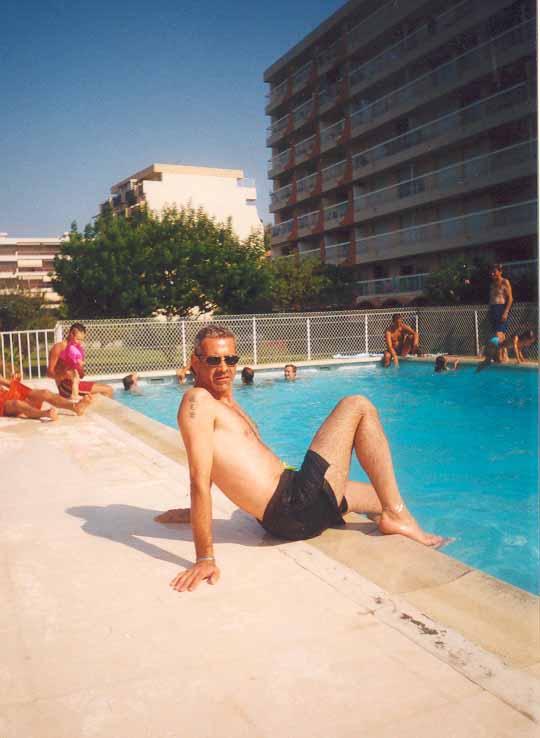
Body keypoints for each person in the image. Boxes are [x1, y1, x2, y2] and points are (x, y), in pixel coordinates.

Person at [155, 324, 442, 593]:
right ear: (195, 362)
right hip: (293, 506)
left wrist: (194, 514)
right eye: (213, 360)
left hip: (294, 499)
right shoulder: (197, 401)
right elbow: (200, 477)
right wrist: (205, 557)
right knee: (357, 405)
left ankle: (390, 512)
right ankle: (395, 516)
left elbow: (223, 465)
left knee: (382, 496)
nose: (224, 368)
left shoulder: (226, 404)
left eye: (230, 360)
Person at [48, 323, 114, 399]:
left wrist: (80, 368)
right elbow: (49, 373)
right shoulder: (59, 347)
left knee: (104, 389)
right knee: (108, 390)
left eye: (82, 340)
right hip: (65, 386)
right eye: (78, 339)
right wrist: (65, 375)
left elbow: (81, 376)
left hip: (74, 384)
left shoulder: (77, 350)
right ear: (71, 334)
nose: (80, 342)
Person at [0, 374, 92, 421]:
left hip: (8, 394)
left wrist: (15, 381)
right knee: (17, 403)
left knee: (45, 393)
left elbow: (8, 383)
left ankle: (75, 407)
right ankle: (45, 413)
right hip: (2, 405)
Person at [488, 264, 513, 334]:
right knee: (496, 334)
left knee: (499, 334)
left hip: (501, 309)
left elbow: (510, 298)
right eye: (491, 272)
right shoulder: (492, 284)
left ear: (500, 272)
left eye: (494, 272)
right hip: (493, 309)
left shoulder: (505, 282)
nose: (492, 274)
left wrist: (505, 312)